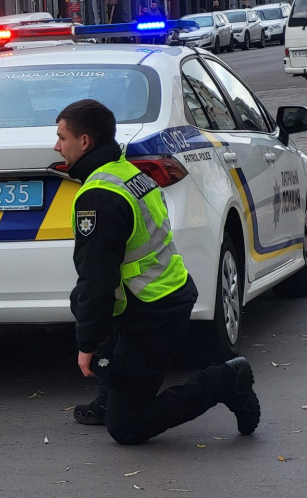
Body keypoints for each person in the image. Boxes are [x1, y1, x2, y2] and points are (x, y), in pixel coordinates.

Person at [54, 98, 260, 445]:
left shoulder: (99, 196)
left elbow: (98, 278)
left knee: (127, 428)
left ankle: (227, 379)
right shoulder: (125, 173)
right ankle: (113, 395)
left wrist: (86, 344)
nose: (56, 145)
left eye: (62, 137)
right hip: (161, 295)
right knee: (88, 305)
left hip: (152, 311)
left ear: (85, 141)